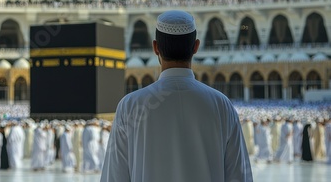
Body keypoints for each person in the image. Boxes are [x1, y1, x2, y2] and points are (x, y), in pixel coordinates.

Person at [100, 10, 253, 182]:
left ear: (155, 47)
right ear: (196, 46)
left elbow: (114, 177)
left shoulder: (130, 106)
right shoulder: (221, 105)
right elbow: (240, 176)